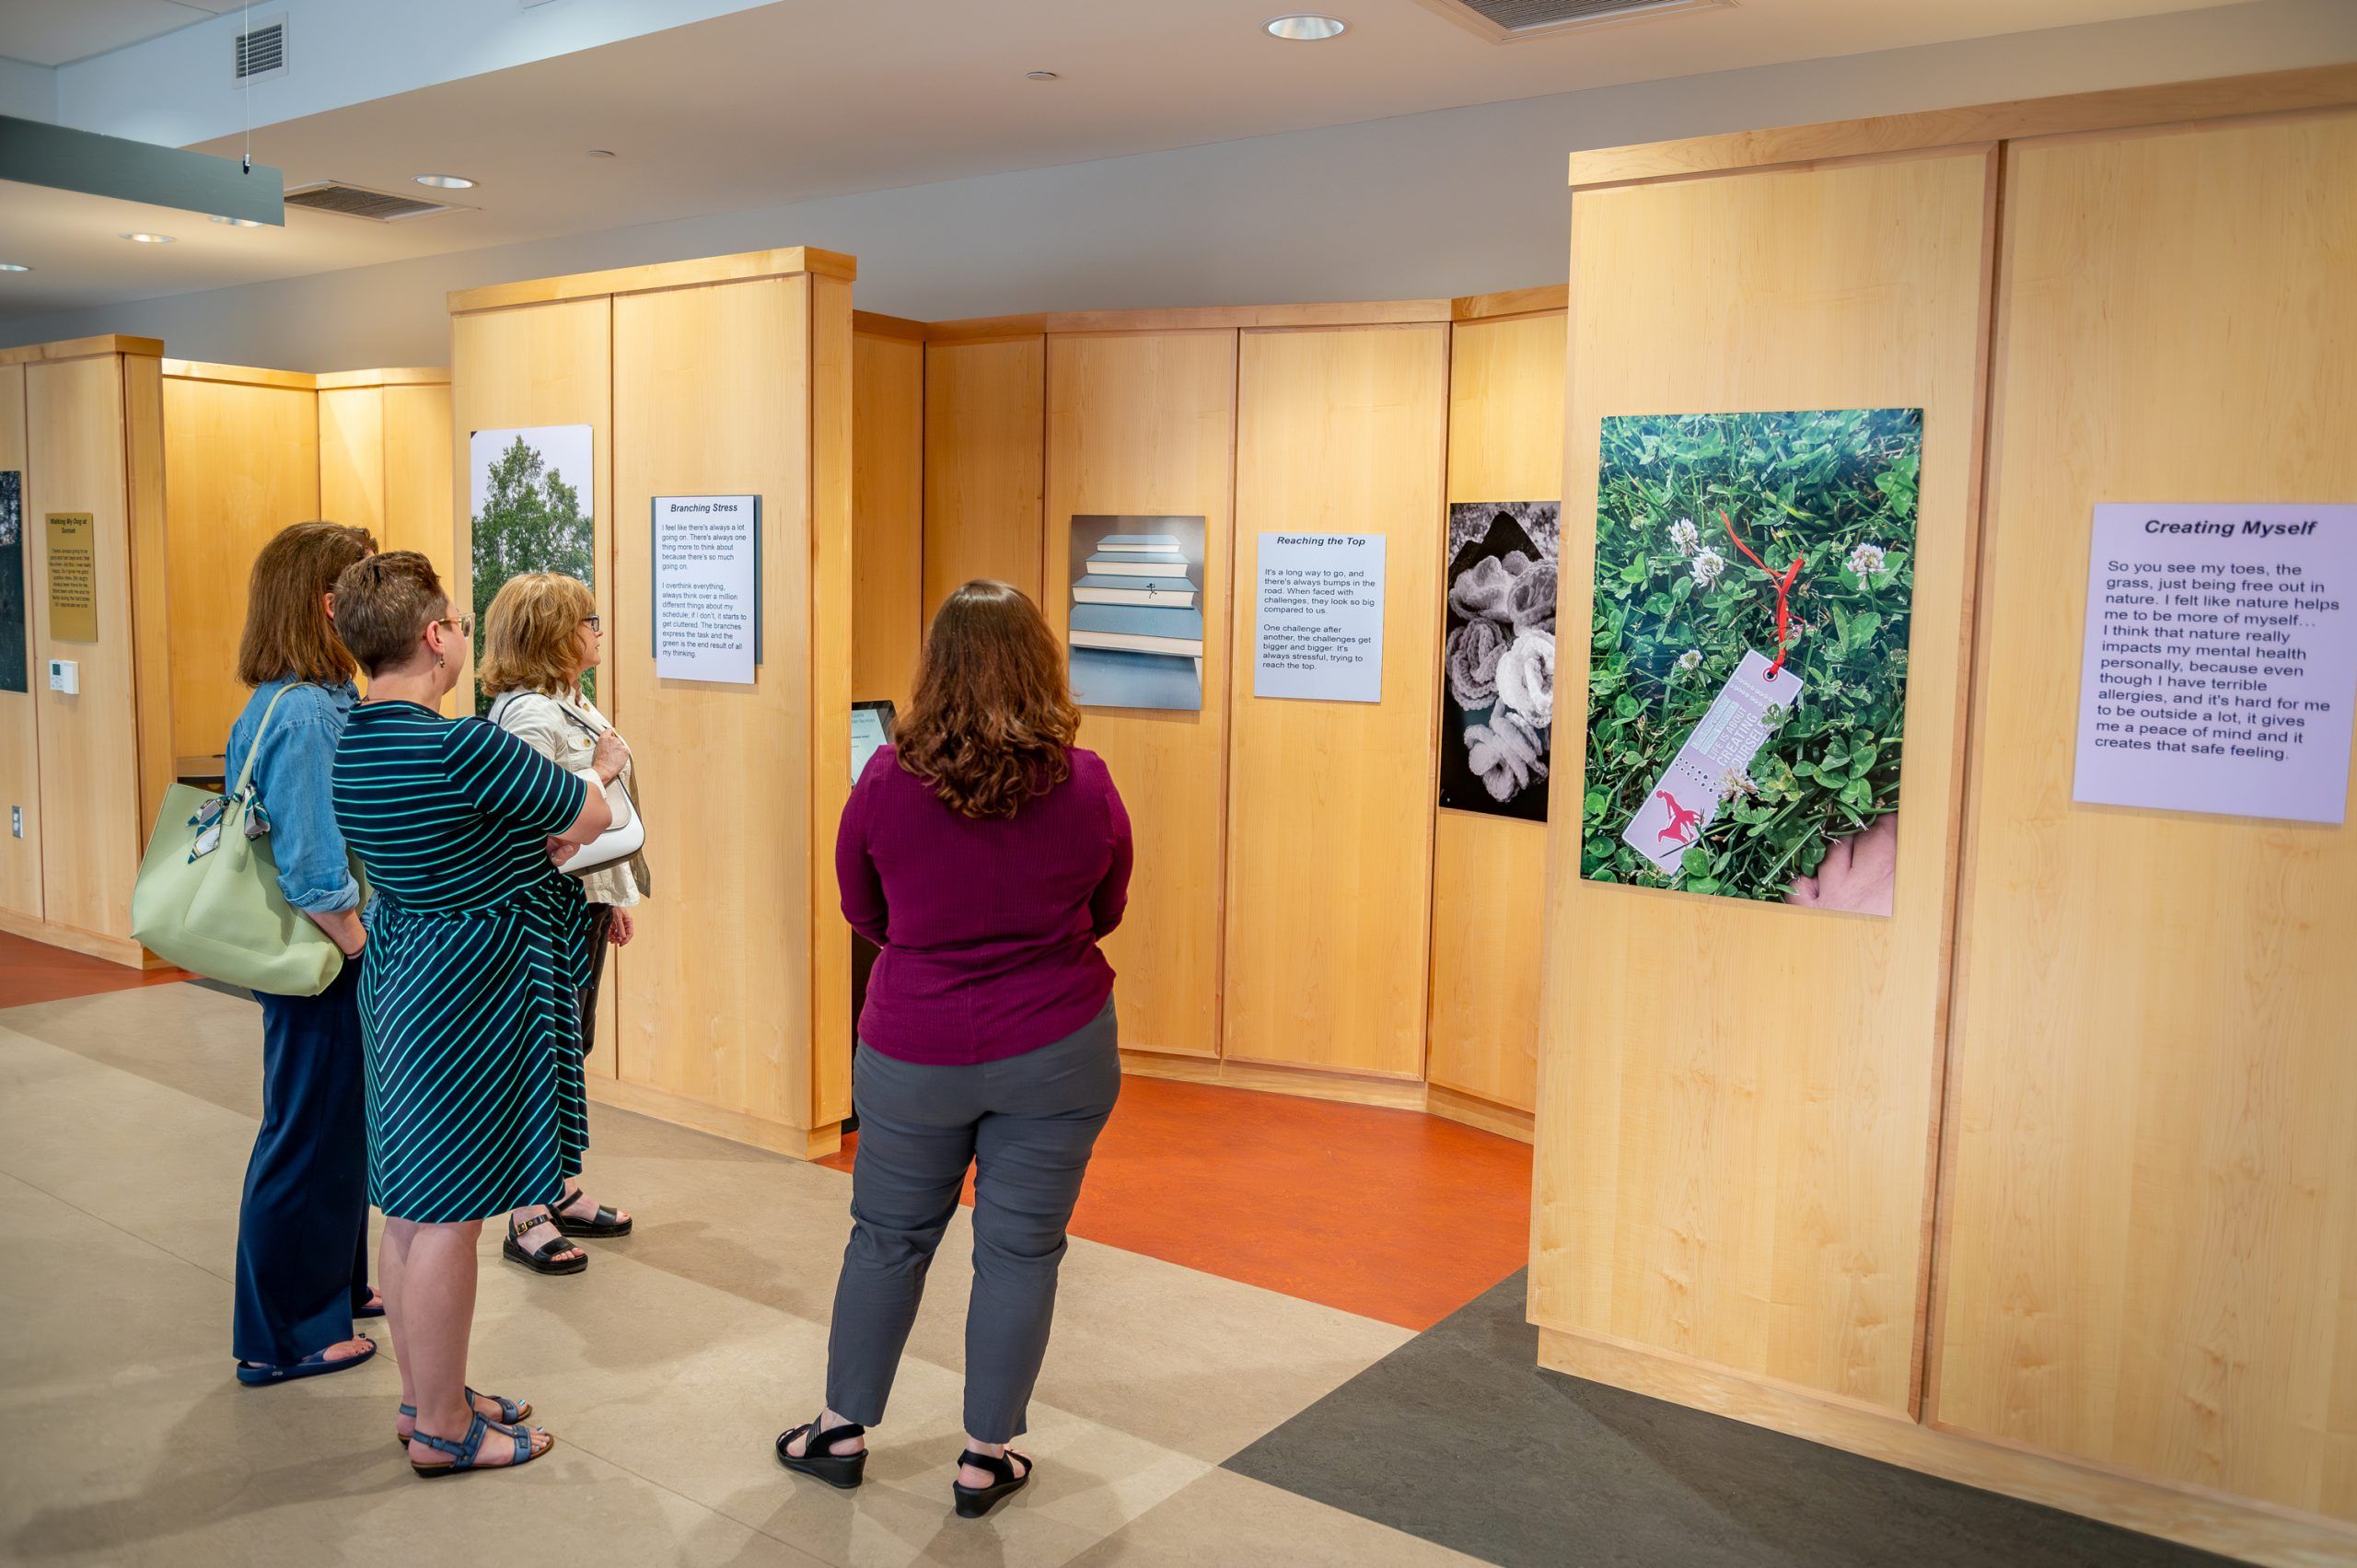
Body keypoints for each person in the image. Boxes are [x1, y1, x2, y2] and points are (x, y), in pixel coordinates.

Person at [776, 579, 1132, 1519]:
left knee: (887, 1239)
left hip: (914, 1046)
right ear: (1038, 662)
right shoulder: (1083, 778)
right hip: (1055, 1045)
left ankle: (840, 1428)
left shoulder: (886, 779)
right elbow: (1108, 907)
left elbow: (865, 911)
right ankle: (985, 1454)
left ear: (934, 668)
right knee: (1020, 1251)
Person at [328, 551, 624, 1477]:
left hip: (403, 964)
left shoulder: (353, 741)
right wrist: (605, 766)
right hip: (475, 985)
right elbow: (584, 809)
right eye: (454, 618)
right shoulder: (461, 744)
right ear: (433, 636)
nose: (461, 632)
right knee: (451, 1211)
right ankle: (448, 1426)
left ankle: (425, 1396)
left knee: (412, 1204)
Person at [226, 521, 383, 1388]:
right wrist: (369, 954)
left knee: (329, 1130)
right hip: (325, 960)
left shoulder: (290, 700)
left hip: (312, 960)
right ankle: (282, 1333)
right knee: (307, 1136)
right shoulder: (312, 713)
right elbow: (318, 872)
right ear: (329, 605)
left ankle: (336, 1288)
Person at [477, 572, 640, 1277]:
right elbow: (538, 825)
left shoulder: (569, 702)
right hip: (542, 909)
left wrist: (614, 894)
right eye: (588, 620)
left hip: (579, 904)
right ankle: (526, 1211)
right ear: (553, 633)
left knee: (567, 1049)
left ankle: (556, 1186)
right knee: (537, 1058)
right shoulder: (529, 717)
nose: (599, 630)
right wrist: (601, 772)